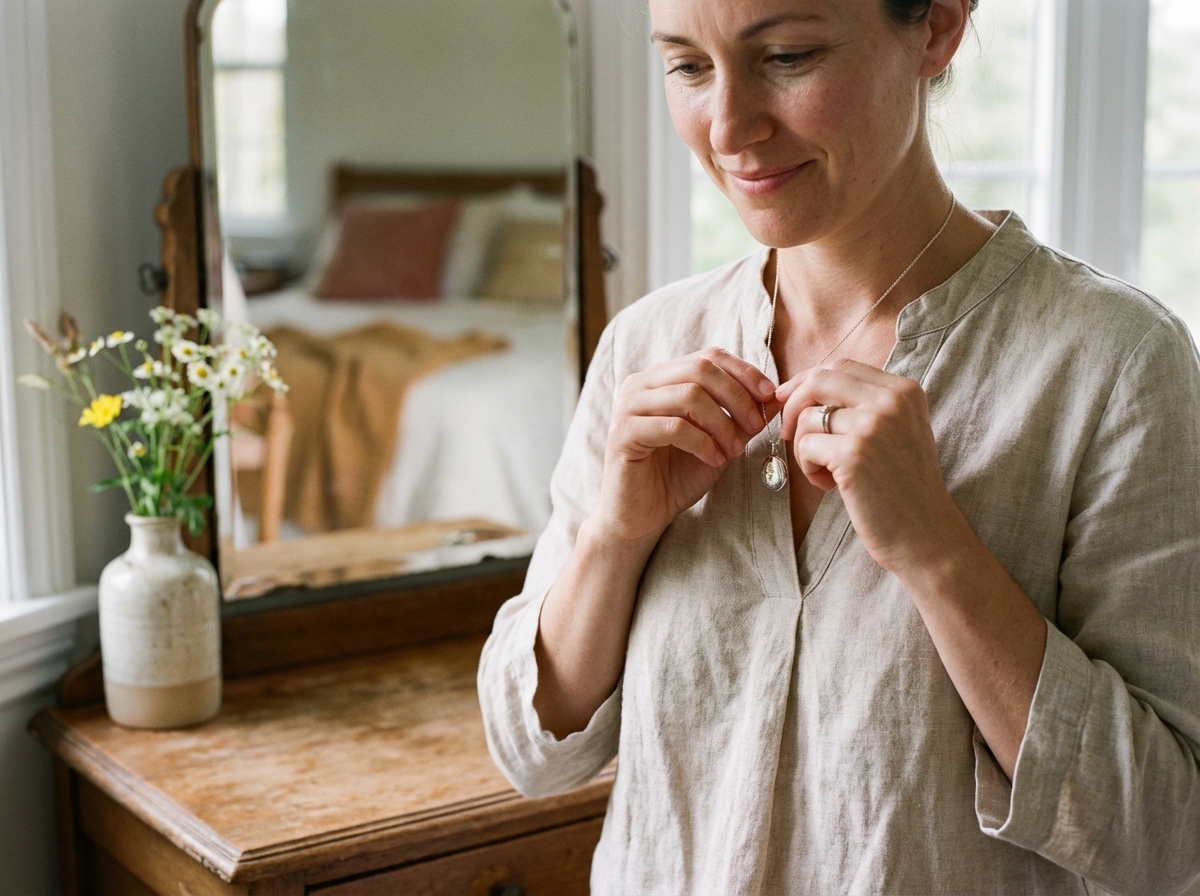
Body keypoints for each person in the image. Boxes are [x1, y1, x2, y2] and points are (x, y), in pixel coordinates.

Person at [478, 0, 1200, 892]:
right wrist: (616, 538)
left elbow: (1166, 836)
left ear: (936, 26)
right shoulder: (646, 344)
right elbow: (527, 752)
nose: (730, 128)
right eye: (689, 68)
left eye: (786, 56)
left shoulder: (1114, 365)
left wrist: (938, 554)